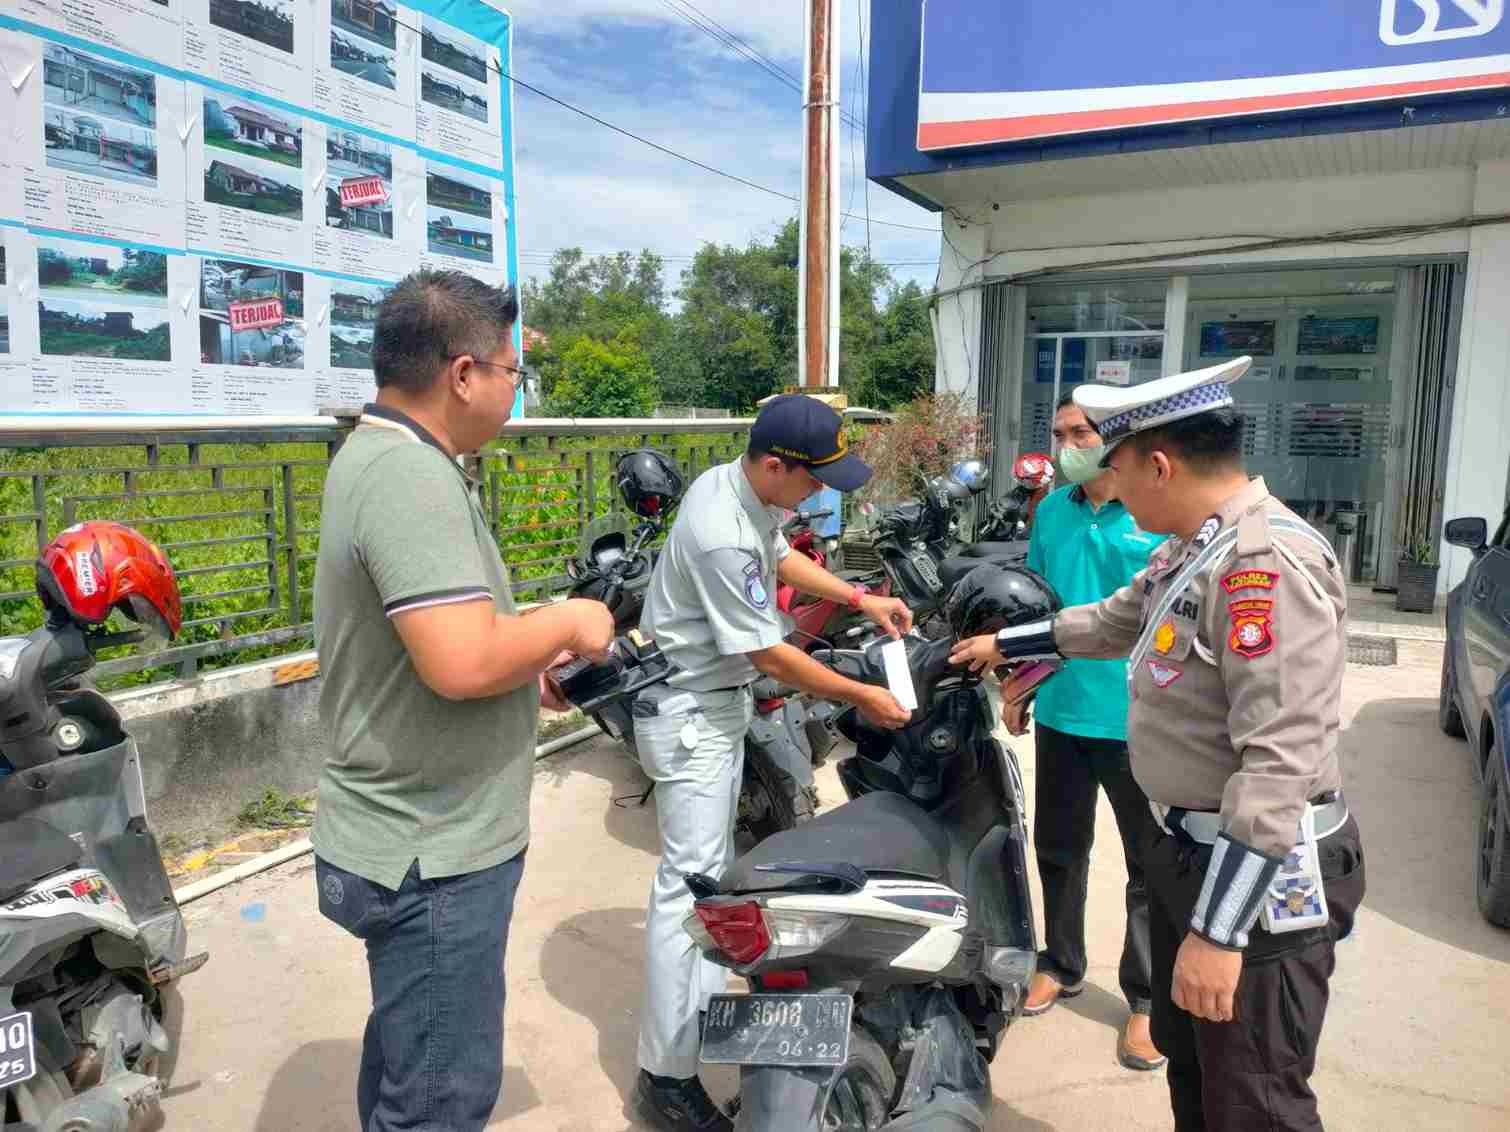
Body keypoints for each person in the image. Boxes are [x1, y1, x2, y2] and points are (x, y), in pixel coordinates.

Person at [952, 357, 1365, 1131]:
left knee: (1254, 1100)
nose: (1111, 483)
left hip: (1258, 888)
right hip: (1195, 855)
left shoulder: (1261, 565)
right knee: (1199, 1072)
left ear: (1160, 464)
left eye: (1117, 465)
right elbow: (1116, 617)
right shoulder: (1196, 545)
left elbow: (1278, 760)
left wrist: (1219, 930)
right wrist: (1007, 644)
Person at [310, 270, 616, 1132]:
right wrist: (572, 620)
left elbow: (450, 647)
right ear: (463, 374)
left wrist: (529, 672)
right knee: (441, 1098)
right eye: (513, 369)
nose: (517, 386)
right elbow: (459, 661)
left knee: (412, 1057)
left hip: (408, 835)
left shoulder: (384, 457)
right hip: (430, 851)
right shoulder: (408, 477)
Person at [633, 394, 915, 1132]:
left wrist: (860, 595)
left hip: (709, 705)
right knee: (687, 894)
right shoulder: (722, 527)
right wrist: (862, 693)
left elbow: (780, 554)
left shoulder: (734, 487)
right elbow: (765, 651)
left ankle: (694, 1023)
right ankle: (666, 1076)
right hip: (692, 713)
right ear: (773, 465)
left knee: (706, 880)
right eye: (813, 479)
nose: (820, 493)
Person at [1008, 391, 1168, 1071]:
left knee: (1149, 865)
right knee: (1060, 848)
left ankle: (1146, 1001)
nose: (1068, 443)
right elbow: (1037, 604)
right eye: (1059, 432)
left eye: (1080, 433)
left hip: (1139, 720)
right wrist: (1019, 684)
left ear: (1114, 440)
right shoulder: (1050, 511)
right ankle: (1061, 961)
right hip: (1063, 710)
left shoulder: (1153, 516)